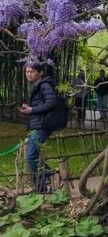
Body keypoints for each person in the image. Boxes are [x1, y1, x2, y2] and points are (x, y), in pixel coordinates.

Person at [19, 62, 60, 190]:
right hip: (37, 125)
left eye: (32, 71)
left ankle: (51, 174)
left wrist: (32, 109)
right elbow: (40, 105)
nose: (29, 74)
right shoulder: (35, 86)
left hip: (43, 125)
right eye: (27, 72)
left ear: (40, 72)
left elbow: (52, 103)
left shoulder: (44, 85)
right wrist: (29, 109)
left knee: (31, 156)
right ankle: (41, 187)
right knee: (34, 156)